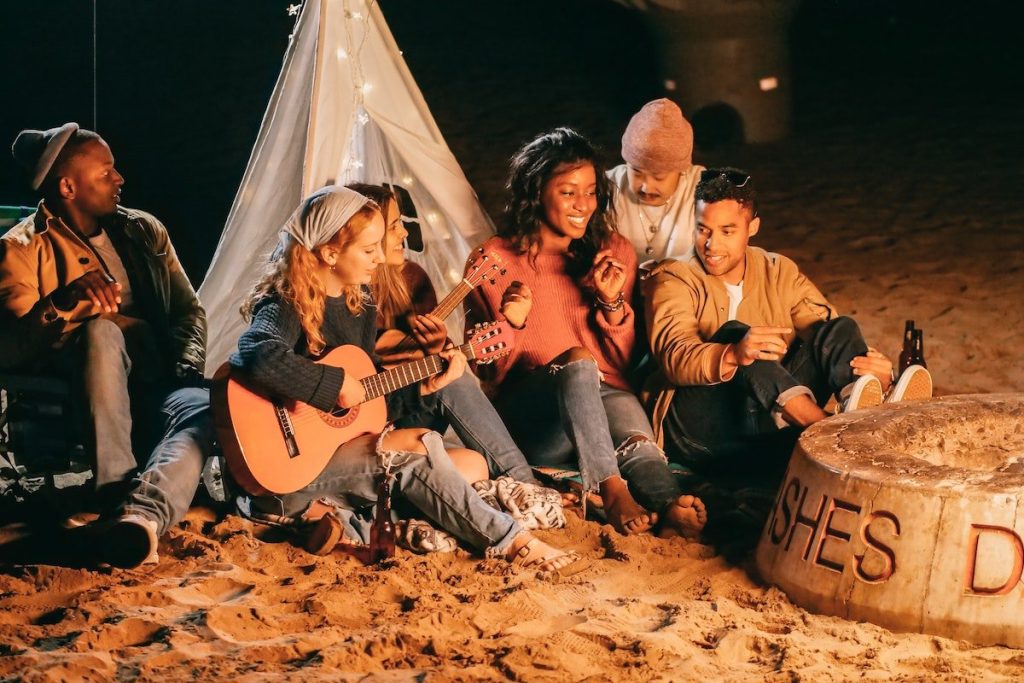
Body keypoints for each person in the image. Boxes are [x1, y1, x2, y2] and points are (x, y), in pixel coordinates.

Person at [229, 185, 579, 572]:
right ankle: (511, 541)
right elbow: (255, 352)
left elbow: (367, 409)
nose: (380, 257)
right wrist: (331, 386)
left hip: (334, 454)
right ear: (330, 253)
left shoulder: (359, 305)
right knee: (412, 456)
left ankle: (336, 519)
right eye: (368, 249)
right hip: (287, 469)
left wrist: (423, 389)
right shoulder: (287, 301)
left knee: (471, 466)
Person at [465, 128, 707, 539]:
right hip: (535, 417)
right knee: (577, 360)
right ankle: (610, 490)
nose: (584, 206)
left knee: (634, 436)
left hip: (603, 398)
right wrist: (514, 323)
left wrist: (611, 304)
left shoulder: (613, 251)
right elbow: (490, 375)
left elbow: (619, 365)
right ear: (537, 191)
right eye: (568, 192)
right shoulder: (494, 260)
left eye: (592, 192)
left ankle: (667, 505)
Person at [1, 123, 215, 568]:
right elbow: (10, 350)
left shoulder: (144, 231)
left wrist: (187, 364)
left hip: (162, 375)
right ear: (68, 186)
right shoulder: (21, 250)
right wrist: (62, 303)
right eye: (106, 172)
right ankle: (116, 491)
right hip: (90, 395)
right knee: (101, 331)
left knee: (202, 408)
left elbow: (187, 310)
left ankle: (136, 514)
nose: (120, 179)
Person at [643, 168, 933, 474]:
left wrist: (876, 371)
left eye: (727, 231)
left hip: (766, 419)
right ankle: (835, 433)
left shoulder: (776, 270)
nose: (711, 245)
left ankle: (859, 409)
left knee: (840, 328)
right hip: (699, 434)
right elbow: (675, 356)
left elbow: (831, 339)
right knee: (739, 337)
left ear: (752, 227)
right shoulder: (673, 277)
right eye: (703, 229)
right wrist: (734, 353)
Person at [346, 182, 550, 487]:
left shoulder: (411, 279)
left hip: (405, 408)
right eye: (393, 226)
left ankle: (522, 481)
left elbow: (433, 363)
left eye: (401, 223)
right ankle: (523, 482)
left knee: (450, 374)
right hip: (357, 421)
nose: (404, 233)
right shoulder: (341, 296)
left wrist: (439, 344)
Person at [608, 99, 705, 265]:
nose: (646, 186)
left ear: (682, 169)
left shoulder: (701, 189)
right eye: (636, 172)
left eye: (658, 176)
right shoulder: (609, 185)